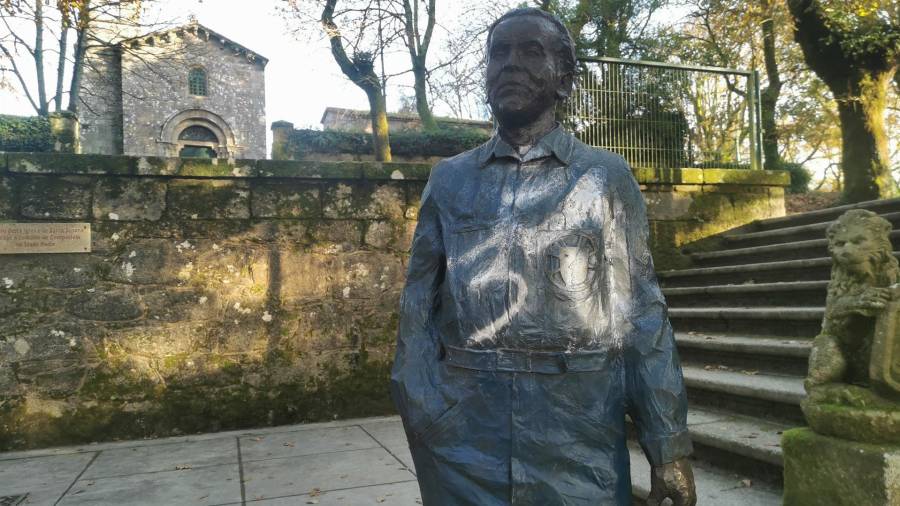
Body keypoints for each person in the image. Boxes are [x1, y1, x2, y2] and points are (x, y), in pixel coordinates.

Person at [390, 7, 696, 505]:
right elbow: (418, 304)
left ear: (565, 81)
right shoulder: (449, 179)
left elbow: (641, 314)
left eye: (531, 52)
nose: (510, 64)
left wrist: (668, 446)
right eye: (499, 53)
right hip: (463, 436)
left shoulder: (605, 178)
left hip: (579, 437)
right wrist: (421, 408)